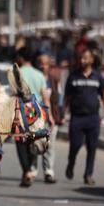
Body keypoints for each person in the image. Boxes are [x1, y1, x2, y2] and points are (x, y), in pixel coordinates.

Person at [62, 49, 104, 185]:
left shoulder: (98, 77)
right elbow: (67, 97)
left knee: (92, 147)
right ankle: (71, 161)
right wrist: (63, 114)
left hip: (93, 117)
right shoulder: (73, 76)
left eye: (85, 58)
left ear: (91, 60)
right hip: (77, 117)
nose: (82, 61)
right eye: (81, 58)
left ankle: (88, 174)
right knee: (75, 144)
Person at [15, 47, 51, 187]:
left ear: (22, 58)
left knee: (20, 142)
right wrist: (48, 116)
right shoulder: (39, 75)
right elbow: (44, 96)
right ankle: (30, 168)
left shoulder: (18, 73)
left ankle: (27, 170)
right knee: (34, 140)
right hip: (37, 112)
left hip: (22, 112)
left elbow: (13, 93)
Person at [36, 53, 60, 184]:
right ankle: (32, 171)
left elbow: (58, 97)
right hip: (35, 118)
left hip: (51, 117)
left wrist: (59, 114)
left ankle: (49, 171)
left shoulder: (53, 79)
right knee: (35, 145)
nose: (43, 66)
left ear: (49, 65)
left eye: (45, 63)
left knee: (50, 145)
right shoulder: (35, 78)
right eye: (40, 63)